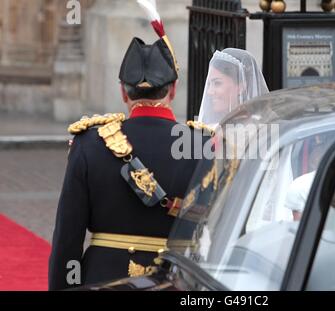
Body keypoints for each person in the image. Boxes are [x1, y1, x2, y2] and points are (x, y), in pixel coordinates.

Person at [48, 3, 209, 290]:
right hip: (179, 283)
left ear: (123, 91)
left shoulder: (89, 143)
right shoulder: (203, 146)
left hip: (104, 280)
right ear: (173, 89)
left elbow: (67, 240)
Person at [198, 48, 269, 127]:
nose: (209, 91)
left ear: (241, 87)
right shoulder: (209, 127)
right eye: (209, 84)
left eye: (217, 83)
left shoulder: (263, 128)